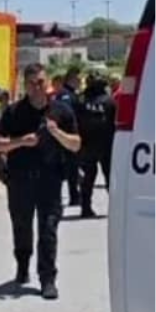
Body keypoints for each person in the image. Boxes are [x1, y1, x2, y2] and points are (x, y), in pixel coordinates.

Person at [0, 63, 80, 300]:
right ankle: (22, 264)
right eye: (31, 83)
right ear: (25, 86)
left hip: (50, 180)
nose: (37, 88)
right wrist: (20, 142)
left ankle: (48, 278)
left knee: (48, 229)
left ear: (47, 82)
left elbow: (76, 144)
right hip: (20, 180)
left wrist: (57, 132)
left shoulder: (61, 111)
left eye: (41, 82)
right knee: (22, 226)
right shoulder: (13, 112)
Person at [77, 72, 116, 218]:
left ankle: (85, 207)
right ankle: (115, 208)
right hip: (106, 145)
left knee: (87, 178)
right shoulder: (110, 101)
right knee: (110, 178)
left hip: (87, 145)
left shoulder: (81, 101)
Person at [54, 66, 83, 208]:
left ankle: (74, 195)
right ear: (72, 79)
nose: (80, 82)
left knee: (72, 167)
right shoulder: (65, 95)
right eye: (78, 79)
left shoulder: (71, 93)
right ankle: (72, 195)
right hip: (67, 134)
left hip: (69, 134)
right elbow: (66, 114)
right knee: (70, 167)